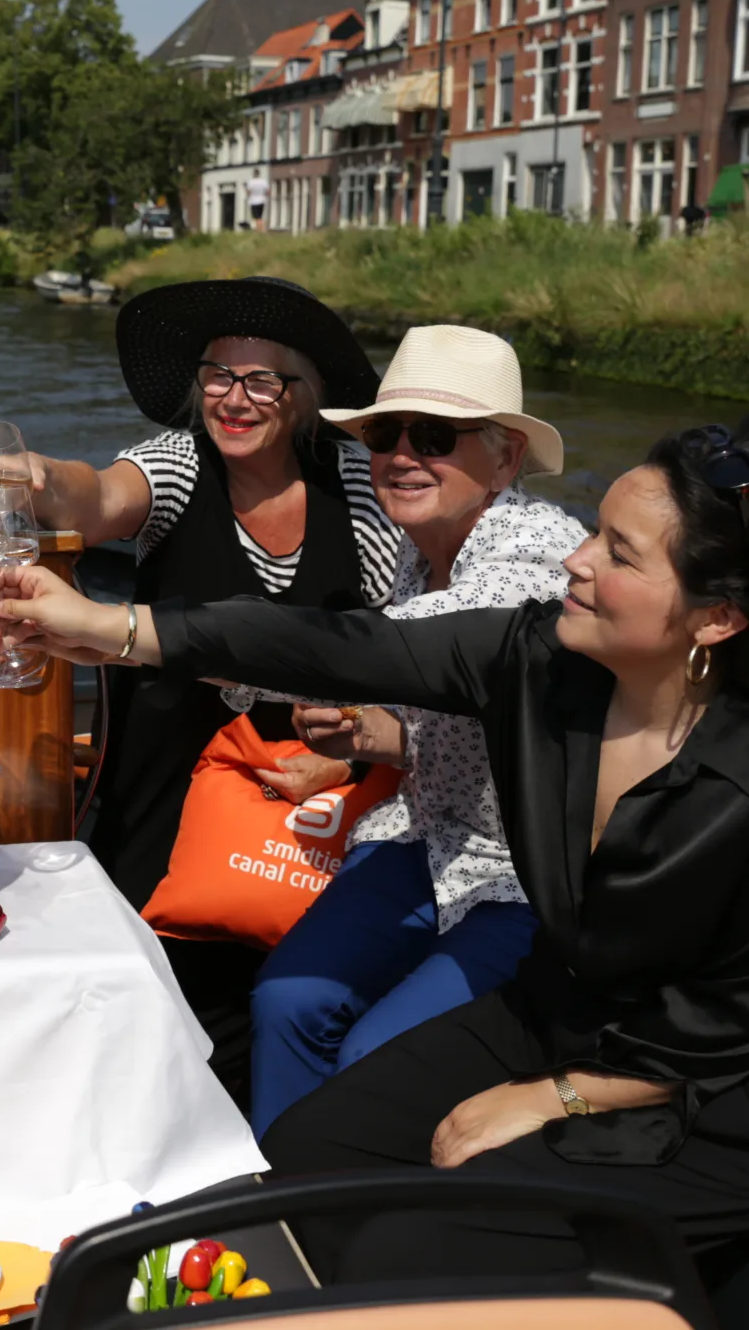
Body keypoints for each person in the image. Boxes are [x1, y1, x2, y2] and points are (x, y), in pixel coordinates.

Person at [0, 416, 749, 1275]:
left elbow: (727, 1025)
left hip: (723, 1091)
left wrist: (551, 1096)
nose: (574, 559)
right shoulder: (545, 666)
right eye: (594, 531)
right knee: (303, 1154)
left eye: (617, 552)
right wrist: (111, 628)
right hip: (564, 1006)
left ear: (717, 619)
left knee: (403, 1241)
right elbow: (348, 644)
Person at [8, 277, 397, 1086]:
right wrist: (43, 479)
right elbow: (104, 495)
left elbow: (398, 636)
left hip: (302, 807)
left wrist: (348, 754)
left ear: (303, 393)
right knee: (147, 1004)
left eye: (261, 380)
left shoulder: (353, 482)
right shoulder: (179, 463)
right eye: (217, 376)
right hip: (165, 792)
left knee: (281, 1002)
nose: (234, 399)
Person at [243, 326, 586, 1134]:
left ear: (504, 459)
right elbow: (461, 716)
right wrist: (371, 734)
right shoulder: (419, 545)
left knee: (375, 1057)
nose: (401, 454)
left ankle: (355, 1226)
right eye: (383, 433)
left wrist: (140, 635)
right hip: (428, 834)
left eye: (433, 436)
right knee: (286, 1000)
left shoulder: (533, 556)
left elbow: (416, 643)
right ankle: (278, 1209)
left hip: (527, 875)